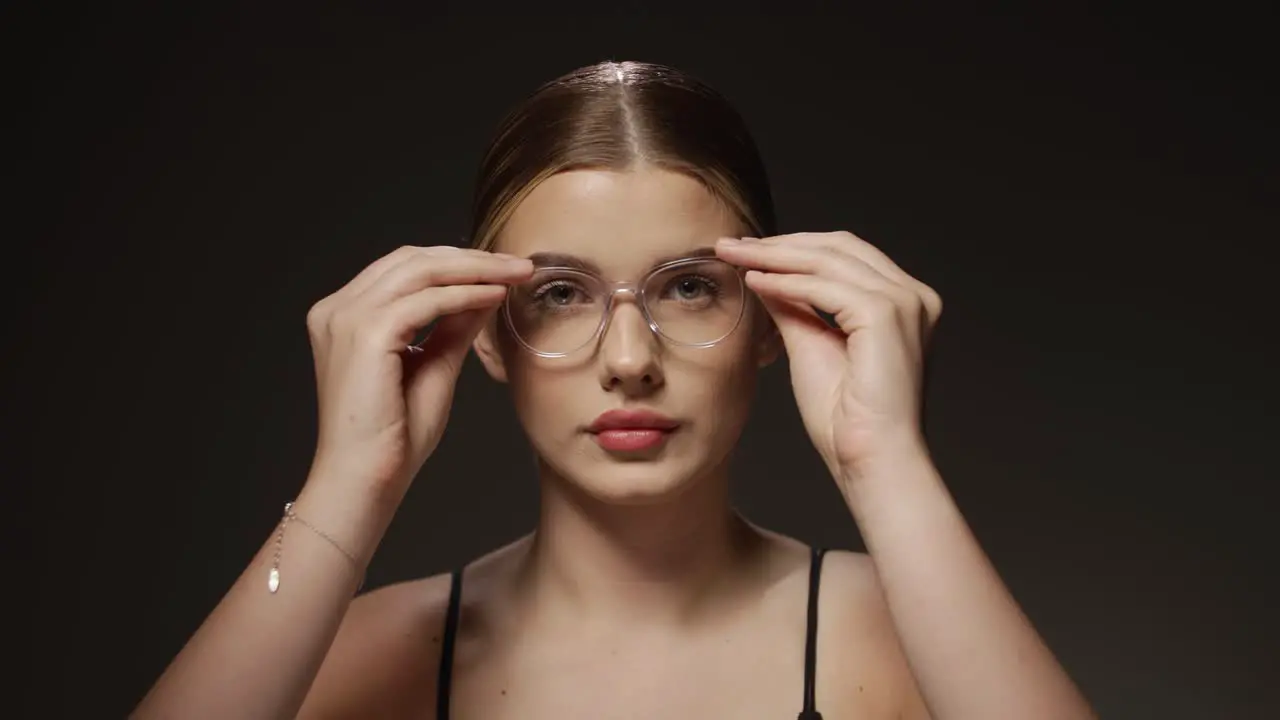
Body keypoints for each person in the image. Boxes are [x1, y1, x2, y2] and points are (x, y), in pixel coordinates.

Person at [133, 60, 1095, 719]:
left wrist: (889, 464)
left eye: (687, 287)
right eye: (559, 293)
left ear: (769, 320)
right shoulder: (368, 649)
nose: (629, 357)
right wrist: (350, 480)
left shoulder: (903, 629)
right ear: (486, 335)